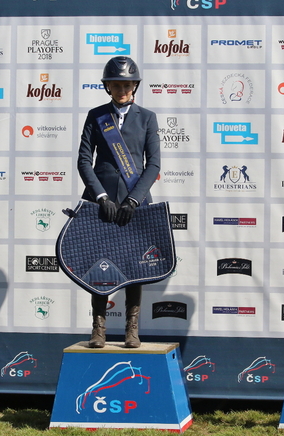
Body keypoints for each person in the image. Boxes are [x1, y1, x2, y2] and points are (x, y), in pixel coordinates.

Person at [77, 56, 161, 348]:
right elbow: (84, 161)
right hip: (100, 203)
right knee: (99, 264)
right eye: (116, 85)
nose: (122, 90)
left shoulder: (147, 117)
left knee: (135, 266)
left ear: (134, 86)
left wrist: (134, 200)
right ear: (108, 87)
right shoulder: (96, 115)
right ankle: (98, 328)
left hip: (134, 203)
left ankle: (131, 329)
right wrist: (100, 196)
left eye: (127, 85)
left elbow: (153, 164)